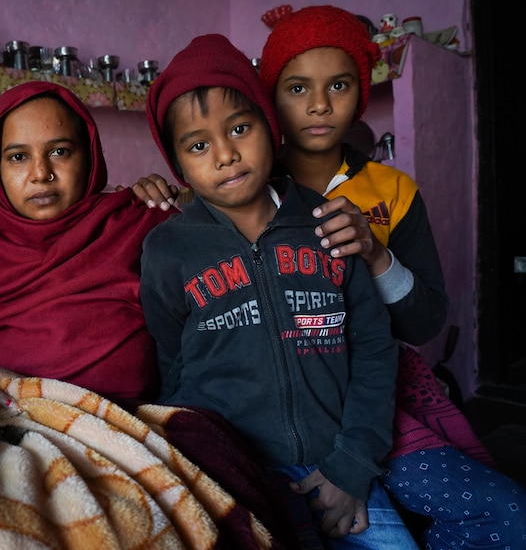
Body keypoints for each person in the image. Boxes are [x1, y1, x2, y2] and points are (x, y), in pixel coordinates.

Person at [0, 80, 301, 549]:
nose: (41, 173)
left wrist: (176, 197)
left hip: (113, 427)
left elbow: (239, 240)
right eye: (18, 156)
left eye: (60, 151)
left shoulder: (138, 222)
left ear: (90, 156)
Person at [258, 4, 526, 549]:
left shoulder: (392, 192)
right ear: (270, 96)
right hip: (287, 398)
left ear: (362, 90)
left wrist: (376, 256)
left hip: (379, 395)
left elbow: (425, 320)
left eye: (338, 84)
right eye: (296, 87)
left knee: (507, 514)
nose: (318, 104)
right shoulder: (243, 184)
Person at [140, 33, 418, 549]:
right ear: (177, 163)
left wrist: (353, 467)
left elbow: (375, 349)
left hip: (334, 461)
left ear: (270, 127)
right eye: (198, 145)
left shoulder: (329, 223)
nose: (225, 155)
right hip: (233, 472)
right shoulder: (167, 248)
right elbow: (171, 363)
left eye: (240, 128)